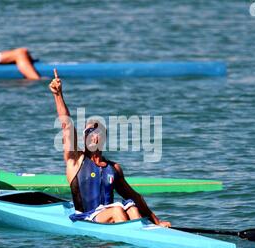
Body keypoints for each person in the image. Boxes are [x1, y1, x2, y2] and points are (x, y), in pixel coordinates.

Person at [49, 69, 171, 227]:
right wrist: (58, 95)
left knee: (132, 207)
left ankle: (144, 236)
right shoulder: (75, 160)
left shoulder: (113, 169)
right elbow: (66, 125)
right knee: (117, 211)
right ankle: (133, 236)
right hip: (86, 219)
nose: (94, 135)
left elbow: (136, 197)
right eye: (89, 131)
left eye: (98, 131)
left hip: (111, 217)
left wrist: (158, 222)